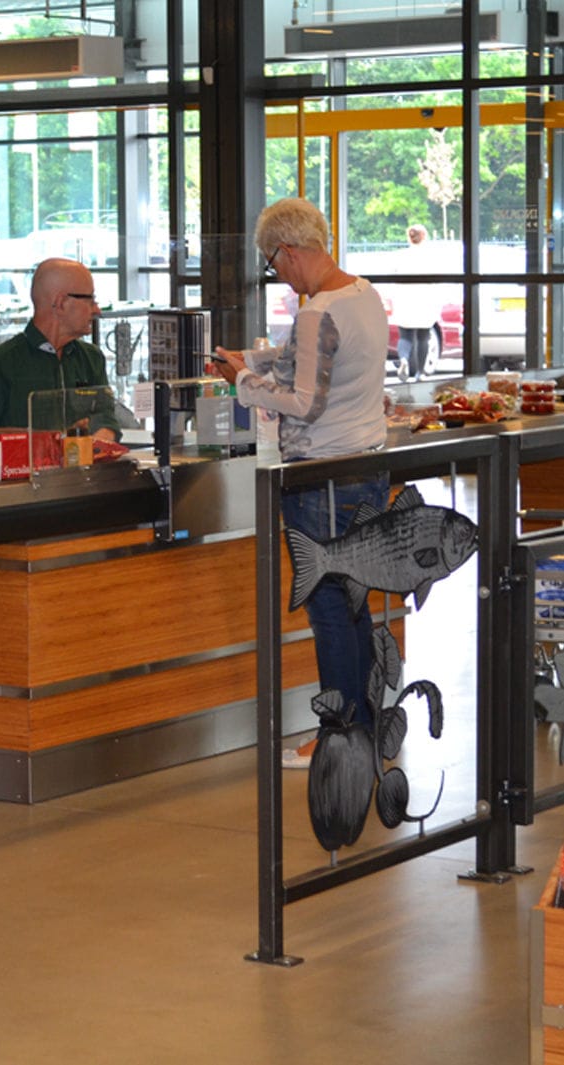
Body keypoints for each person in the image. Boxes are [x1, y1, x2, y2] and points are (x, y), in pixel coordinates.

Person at [212, 198, 389, 768]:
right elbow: (310, 360)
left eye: (274, 265)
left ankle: (336, 735)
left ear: (288, 252)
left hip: (320, 482)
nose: (278, 277)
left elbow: (302, 401)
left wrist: (242, 380)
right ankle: (363, 723)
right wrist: (255, 357)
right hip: (365, 469)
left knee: (328, 608)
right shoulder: (362, 294)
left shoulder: (317, 313)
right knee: (356, 604)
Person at [0, 257, 120, 440]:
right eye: (90, 299)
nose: (97, 309)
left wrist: (102, 435)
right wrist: (47, 440)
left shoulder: (91, 358)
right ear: (61, 303)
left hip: (81, 467)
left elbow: (105, 416)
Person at [392, 223, 438, 381]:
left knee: (405, 337)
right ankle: (420, 372)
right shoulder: (432, 256)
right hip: (425, 302)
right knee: (423, 337)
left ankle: (404, 359)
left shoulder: (400, 256)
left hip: (405, 302)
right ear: (424, 236)